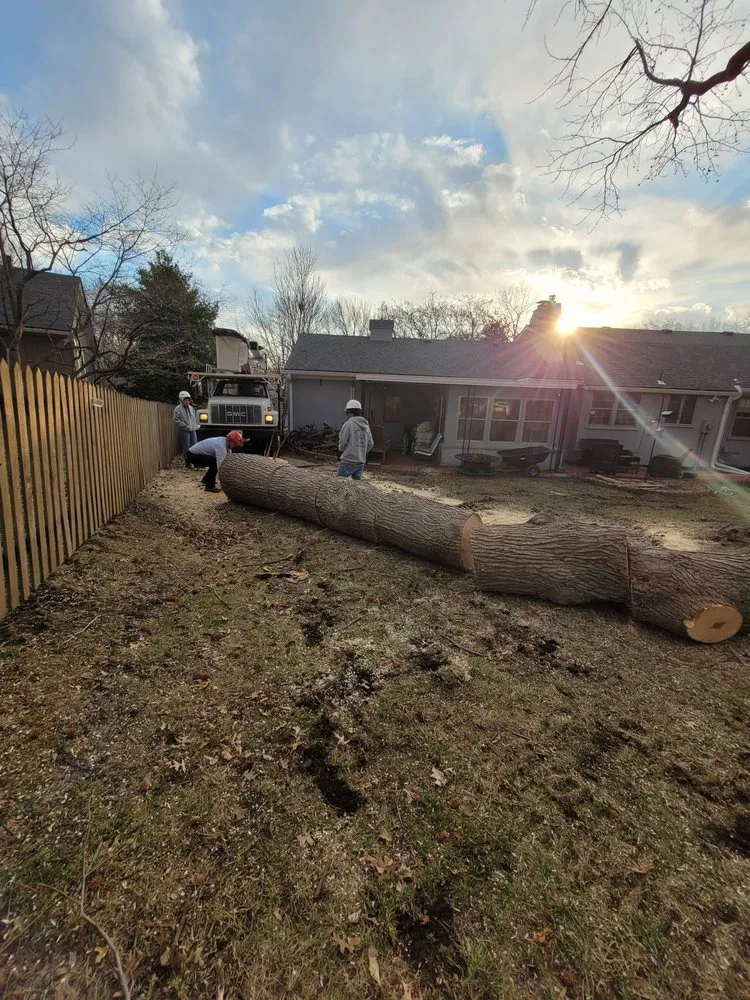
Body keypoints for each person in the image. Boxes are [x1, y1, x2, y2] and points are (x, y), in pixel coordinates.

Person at [337, 399, 373, 480]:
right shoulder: (366, 426)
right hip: (360, 461)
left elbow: (343, 442)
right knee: (357, 487)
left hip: (348, 460)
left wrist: (341, 450)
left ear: (349, 412)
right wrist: (361, 452)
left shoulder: (348, 424)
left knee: (339, 484)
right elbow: (370, 444)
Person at [174, 391, 200, 468]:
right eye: (185, 400)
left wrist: (196, 425)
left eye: (188, 400)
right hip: (184, 430)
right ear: (181, 400)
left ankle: (196, 462)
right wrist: (184, 425)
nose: (187, 401)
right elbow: (176, 420)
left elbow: (194, 418)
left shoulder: (191, 408)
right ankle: (187, 462)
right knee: (186, 446)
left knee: (195, 445)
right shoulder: (178, 409)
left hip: (192, 430)